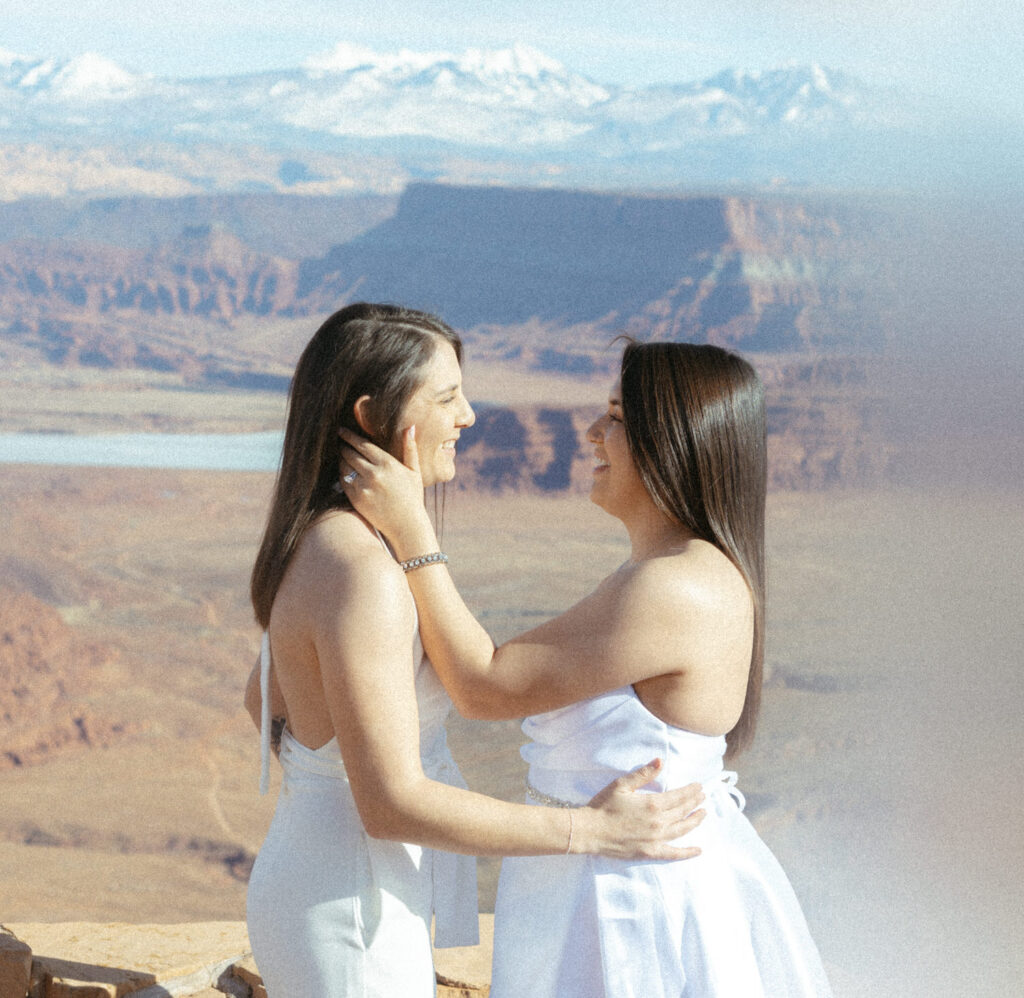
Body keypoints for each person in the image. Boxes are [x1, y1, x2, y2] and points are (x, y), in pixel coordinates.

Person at [338, 338, 833, 997]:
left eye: (618, 417)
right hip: (603, 883)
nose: (594, 432)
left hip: (632, 908)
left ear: (676, 440)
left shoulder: (673, 587)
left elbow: (484, 686)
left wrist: (412, 531)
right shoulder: (673, 571)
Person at [243, 304, 707, 998]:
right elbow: (390, 804)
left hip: (328, 881)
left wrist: (325, 783)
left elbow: (264, 704)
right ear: (374, 416)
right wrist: (591, 831)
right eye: (447, 397)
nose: (468, 416)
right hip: (352, 914)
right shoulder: (365, 572)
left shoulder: (318, 539)